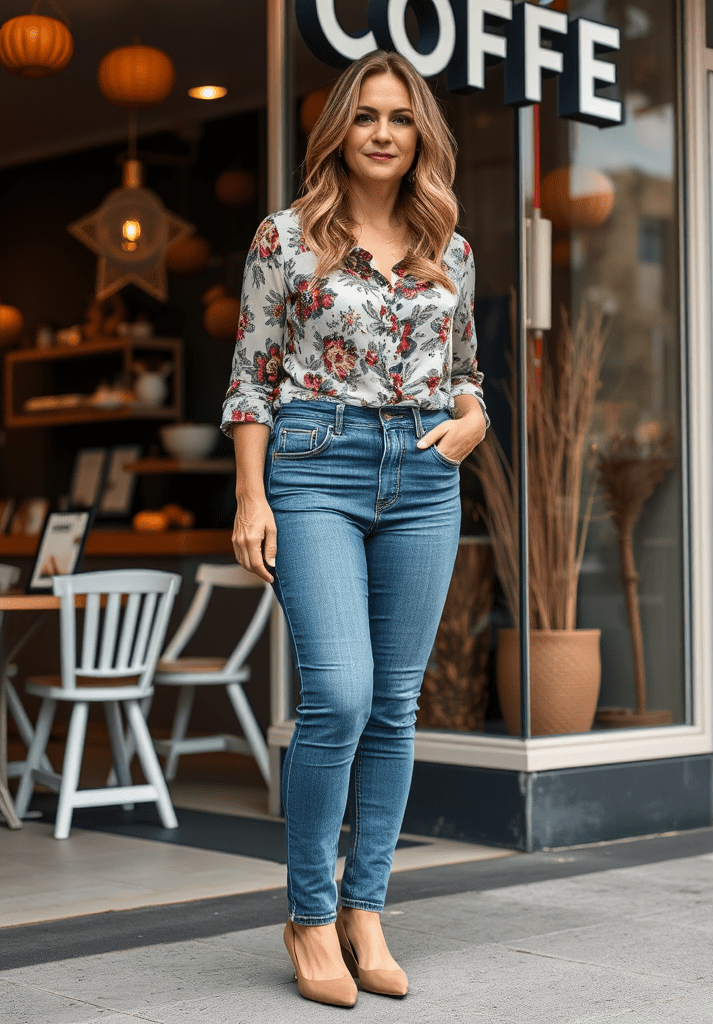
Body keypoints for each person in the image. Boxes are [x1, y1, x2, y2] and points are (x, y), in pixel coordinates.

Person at [222, 49, 488, 1008]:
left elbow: (467, 369)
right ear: (341, 127)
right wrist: (252, 497)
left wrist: (473, 421)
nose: (383, 132)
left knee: (397, 703)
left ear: (422, 135)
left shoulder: (447, 243)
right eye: (367, 116)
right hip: (313, 464)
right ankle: (307, 913)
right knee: (340, 691)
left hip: (424, 474)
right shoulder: (285, 239)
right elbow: (252, 376)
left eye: (401, 118)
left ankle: (364, 910)